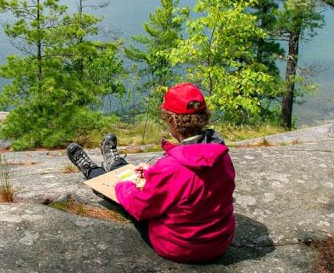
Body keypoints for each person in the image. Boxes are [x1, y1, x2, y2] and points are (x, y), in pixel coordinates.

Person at [66, 82, 235, 263]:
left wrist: (123, 187)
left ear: (174, 121)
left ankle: (92, 170)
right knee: (141, 181)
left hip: (181, 246)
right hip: (218, 243)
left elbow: (141, 206)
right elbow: (190, 185)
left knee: (118, 193)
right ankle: (114, 162)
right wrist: (153, 172)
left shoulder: (172, 167)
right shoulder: (220, 155)